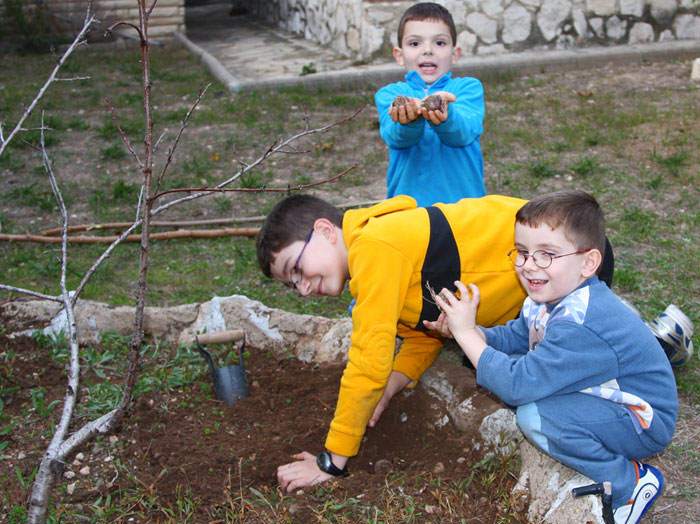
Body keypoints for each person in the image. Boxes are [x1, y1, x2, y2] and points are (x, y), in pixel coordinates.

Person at [425, 190, 678, 523]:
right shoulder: (547, 297)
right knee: (536, 399)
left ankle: (627, 482)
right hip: (606, 398)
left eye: (546, 254)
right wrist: (473, 331)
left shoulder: (582, 321)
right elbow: (517, 337)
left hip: (641, 419)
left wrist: (467, 336)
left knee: (536, 416)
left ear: (588, 262)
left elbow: (517, 385)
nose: (530, 265)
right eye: (523, 252)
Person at [257, 192, 529, 492]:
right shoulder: (376, 250)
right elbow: (424, 334)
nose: (303, 288)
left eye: (296, 269)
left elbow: (368, 361)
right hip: (526, 302)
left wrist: (332, 461)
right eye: (292, 285)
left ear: (325, 230)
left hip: (552, 260)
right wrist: (391, 385)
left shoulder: (374, 247)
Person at [375, 2, 485, 207]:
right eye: (415, 43)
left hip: (464, 208)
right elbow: (396, 139)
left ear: (455, 53)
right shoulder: (389, 95)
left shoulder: (467, 89)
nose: (427, 50)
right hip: (409, 209)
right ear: (399, 55)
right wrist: (410, 120)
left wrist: (445, 113)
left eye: (440, 43)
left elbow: (463, 133)